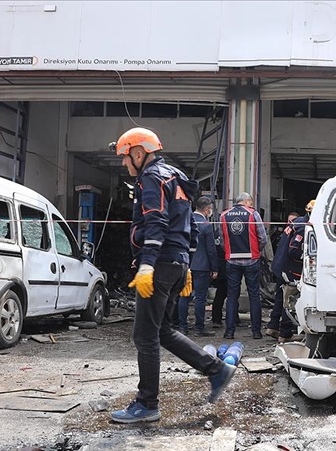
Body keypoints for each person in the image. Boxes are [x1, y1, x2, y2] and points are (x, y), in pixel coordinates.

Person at [109, 127, 235, 423]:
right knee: (163, 330)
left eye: (126, 158)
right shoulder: (176, 177)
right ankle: (217, 370)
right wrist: (186, 264)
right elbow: (190, 224)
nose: (125, 165)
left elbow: (156, 222)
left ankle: (147, 404)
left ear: (139, 153)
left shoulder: (151, 178)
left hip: (161, 265)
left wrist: (147, 265)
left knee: (145, 336)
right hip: (176, 264)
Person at [220, 192, 268, 340]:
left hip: (232, 260)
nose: (252, 205)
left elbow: (222, 240)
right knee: (254, 295)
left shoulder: (224, 215)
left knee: (232, 296)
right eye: (251, 203)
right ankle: (256, 332)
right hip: (251, 259)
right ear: (246, 201)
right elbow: (263, 238)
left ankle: (229, 332)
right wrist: (256, 251)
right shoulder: (253, 214)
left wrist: (229, 251)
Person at [266, 204, 311, 342]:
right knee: (290, 299)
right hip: (290, 269)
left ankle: (273, 326)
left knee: (280, 297)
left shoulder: (297, 222)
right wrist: (309, 256)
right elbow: (293, 250)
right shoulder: (304, 227)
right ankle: (285, 334)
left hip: (281, 266)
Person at [188, 196, 219, 337]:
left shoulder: (186, 221)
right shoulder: (206, 225)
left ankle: (180, 325)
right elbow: (211, 250)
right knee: (200, 298)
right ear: (207, 209)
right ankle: (199, 328)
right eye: (210, 209)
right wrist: (215, 268)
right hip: (202, 266)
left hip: (186, 263)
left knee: (183, 296)